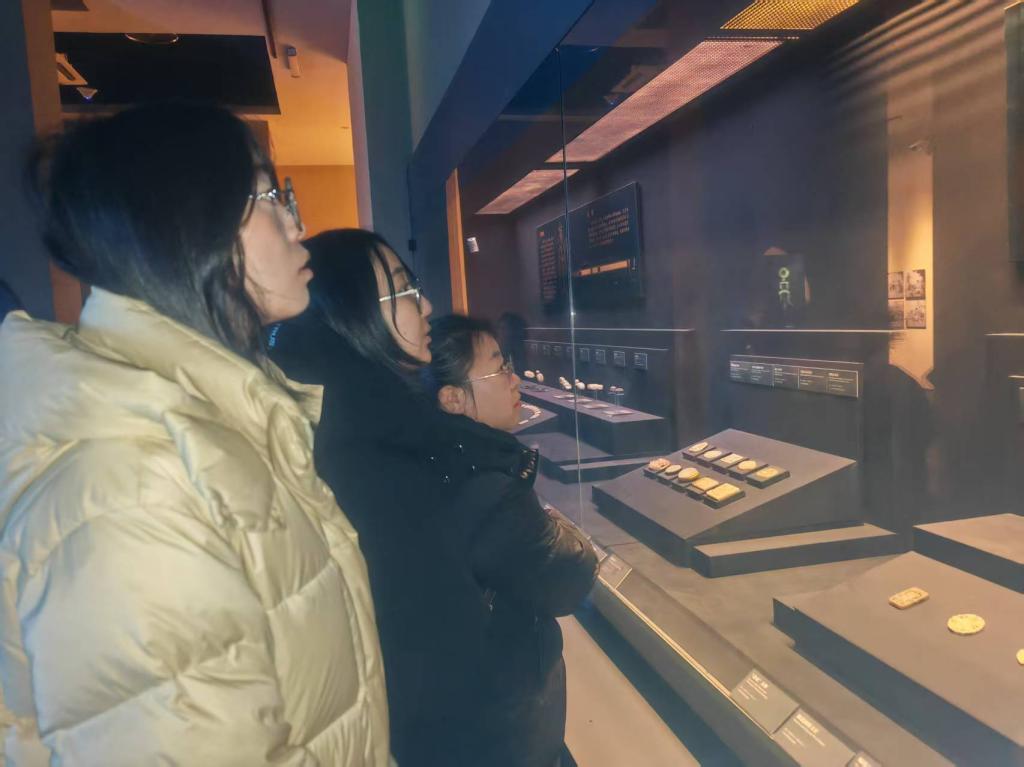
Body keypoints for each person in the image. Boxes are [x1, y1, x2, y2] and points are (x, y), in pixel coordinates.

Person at [0, 103, 390, 765]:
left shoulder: (221, 419)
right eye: (269, 196)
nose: (297, 224)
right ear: (186, 221)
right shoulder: (128, 480)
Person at [267, 230, 596, 766]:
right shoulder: (401, 453)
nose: (424, 305)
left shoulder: (361, 431)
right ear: (353, 310)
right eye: (402, 290)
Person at [426, 314, 598, 767]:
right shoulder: (488, 490)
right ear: (453, 398)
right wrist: (564, 532)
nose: (514, 379)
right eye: (499, 368)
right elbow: (569, 575)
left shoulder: (440, 459)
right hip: (504, 719)